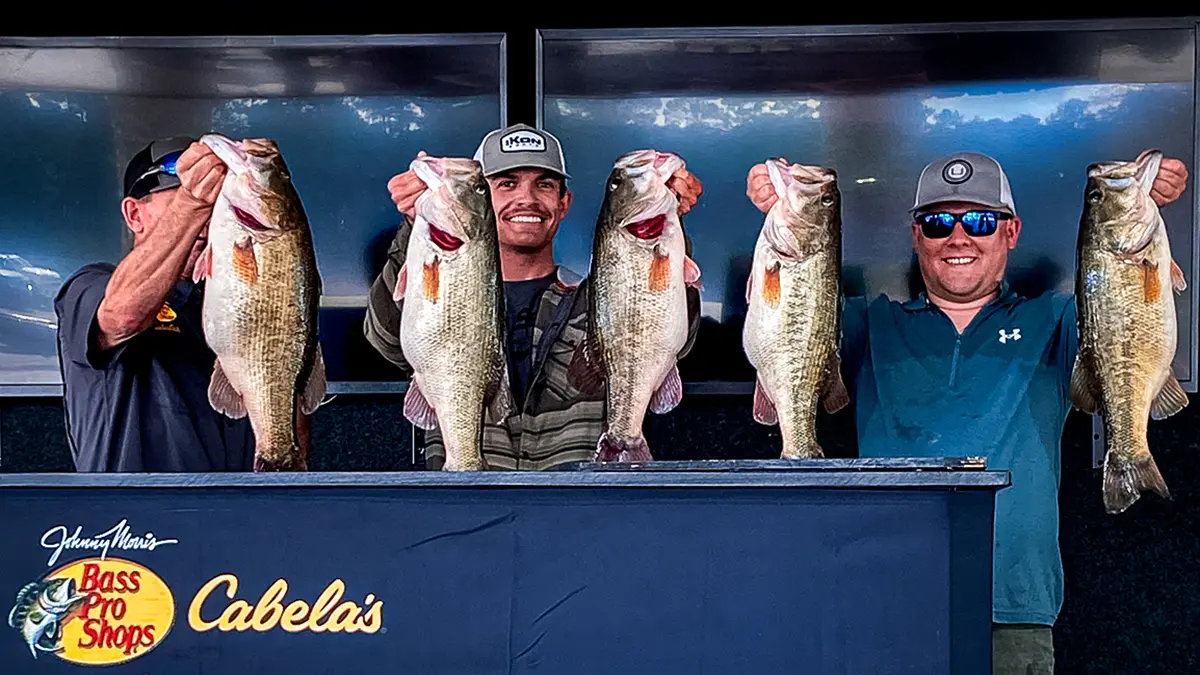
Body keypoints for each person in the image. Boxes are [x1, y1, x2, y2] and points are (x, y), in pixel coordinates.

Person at [746, 150, 1189, 674]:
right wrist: (754, 215)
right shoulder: (868, 324)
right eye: (937, 222)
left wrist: (1148, 204)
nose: (958, 237)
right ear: (917, 236)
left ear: (1011, 231)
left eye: (979, 220)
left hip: (1014, 605)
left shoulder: (1059, 321)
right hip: (881, 603)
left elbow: (1129, 316)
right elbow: (786, 318)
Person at [364, 123, 705, 470]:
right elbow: (384, 338)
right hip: (466, 513)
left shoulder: (601, 296)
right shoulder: (440, 280)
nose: (526, 198)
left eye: (543, 184)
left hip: (583, 512)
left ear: (563, 203)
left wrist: (668, 222)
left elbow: (677, 333)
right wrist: (413, 227)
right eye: (506, 183)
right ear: (483, 197)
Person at [54, 135, 312, 472]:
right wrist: (191, 203)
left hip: (244, 512)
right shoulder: (90, 286)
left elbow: (292, 405)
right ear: (134, 215)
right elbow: (122, 316)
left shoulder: (228, 296)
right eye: (179, 197)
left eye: (214, 202)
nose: (204, 217)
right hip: (136, 519)